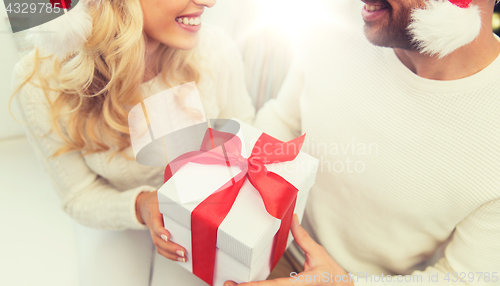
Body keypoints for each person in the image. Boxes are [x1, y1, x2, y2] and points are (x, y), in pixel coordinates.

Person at [226, 0, 500, 285]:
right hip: (268, 245)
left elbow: (465, 277)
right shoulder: (337, 20)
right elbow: (284, 118)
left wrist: (345, 283)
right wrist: (243, 207)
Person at [10, 0, 255, 285]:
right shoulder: (40, 82)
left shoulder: (214, 49)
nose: (209, 2)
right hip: (118, 213)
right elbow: (79, 194)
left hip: (200, 209)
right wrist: (140, 205)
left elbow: (243, 132)